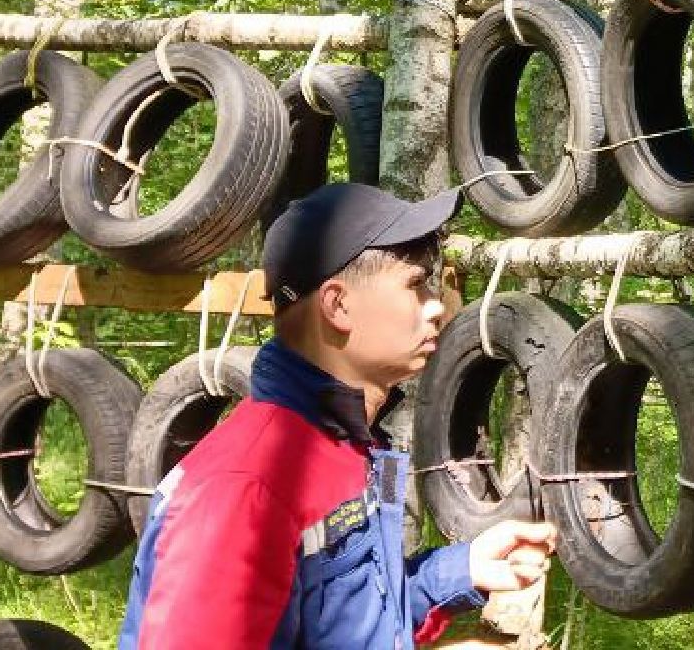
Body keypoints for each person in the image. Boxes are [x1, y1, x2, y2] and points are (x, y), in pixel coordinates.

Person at [119, 183, 557, 649]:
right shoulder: (246, 488)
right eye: (415, 285)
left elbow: (358, 616)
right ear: (338, 305)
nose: (436, 306)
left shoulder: (349, 446)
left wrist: (463, 570)